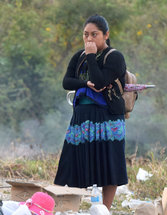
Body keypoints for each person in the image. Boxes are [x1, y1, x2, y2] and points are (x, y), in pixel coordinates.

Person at [54, 15, 128, 210]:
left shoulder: (115, 57)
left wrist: (90, 57)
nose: (89, 39)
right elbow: (66, 82)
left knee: (108, 164)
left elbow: (100, 81)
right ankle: (73, 207)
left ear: (106, 35)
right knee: (76, 162)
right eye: (86, 34)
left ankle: (105, 209)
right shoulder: (78, 56)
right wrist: (84, 83)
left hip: (107, 117)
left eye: (94, 35)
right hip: (82, 117)